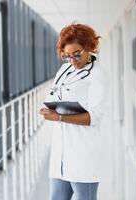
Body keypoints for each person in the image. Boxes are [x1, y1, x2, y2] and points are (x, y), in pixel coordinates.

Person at [39, 23, 108, 200]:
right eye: (67, 56)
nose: (72, 60)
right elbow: (54, 94)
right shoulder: (64, 70)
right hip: (60, 155)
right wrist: (49, 109)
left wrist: (59, 117)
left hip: (83, 154)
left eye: (76, 54)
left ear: (89, 47)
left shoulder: (97, 75)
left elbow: (94, 117)